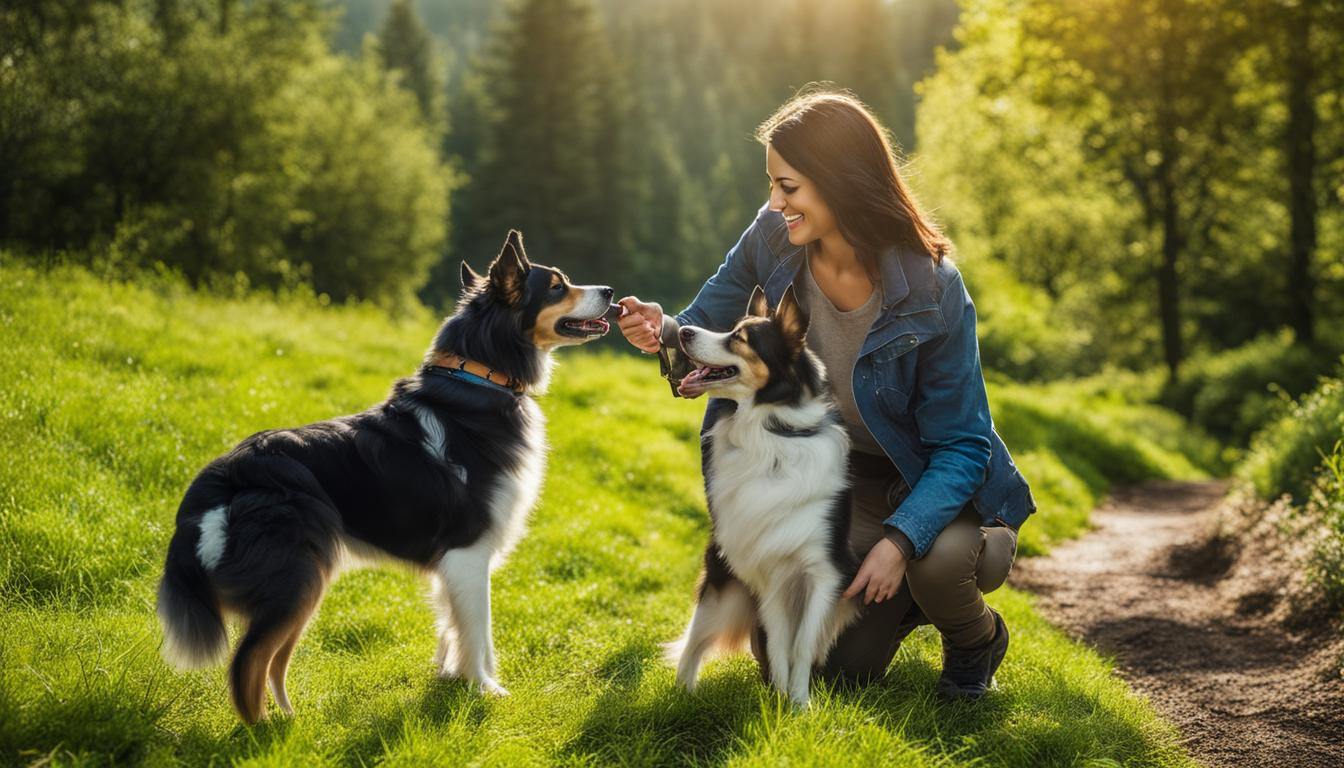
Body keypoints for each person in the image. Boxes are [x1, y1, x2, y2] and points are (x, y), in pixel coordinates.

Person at [617, 90, 1035, 699]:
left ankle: (972, 635)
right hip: (823, 475)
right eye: (772, 185)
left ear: (841, 181)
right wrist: (663, 332)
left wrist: (899, 540)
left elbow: (964, 445)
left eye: (788, 186)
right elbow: (702, 324)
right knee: (815, 669)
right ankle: (894, 604)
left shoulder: (932, 285)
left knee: (938, 560)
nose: (773, 202)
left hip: (917, 478)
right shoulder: (771, 236)